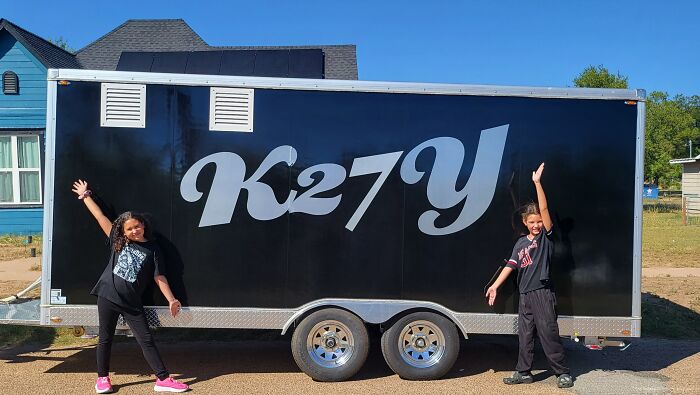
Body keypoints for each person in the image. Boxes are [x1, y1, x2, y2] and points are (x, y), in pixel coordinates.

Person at [72, 179, 190, 394]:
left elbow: (159, 277)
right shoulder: (119, 241)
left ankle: (162, 379)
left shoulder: (153, 249)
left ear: (143, 225)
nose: (135, 230)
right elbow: (100, 216)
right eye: (129, 229)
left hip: (132, 303)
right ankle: (102, 379)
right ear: (123, 232)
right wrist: (86, 195)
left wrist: (172, 299)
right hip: (107, 296)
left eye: (137, 226)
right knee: (105, 338)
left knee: (146, 339)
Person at [484, 163, 574, 389]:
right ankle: (523, 372)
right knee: (524, 336)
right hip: (524, 295)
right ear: (524, 223)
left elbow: (544, 209)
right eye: (531, 222)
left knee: (548, 334)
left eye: (539, 222)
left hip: (542, 293)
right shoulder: (521, 243)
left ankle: (562, 373)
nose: (536, 225)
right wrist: (495, 286)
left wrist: (537, 183)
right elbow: (511, 265)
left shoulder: (546, 239)